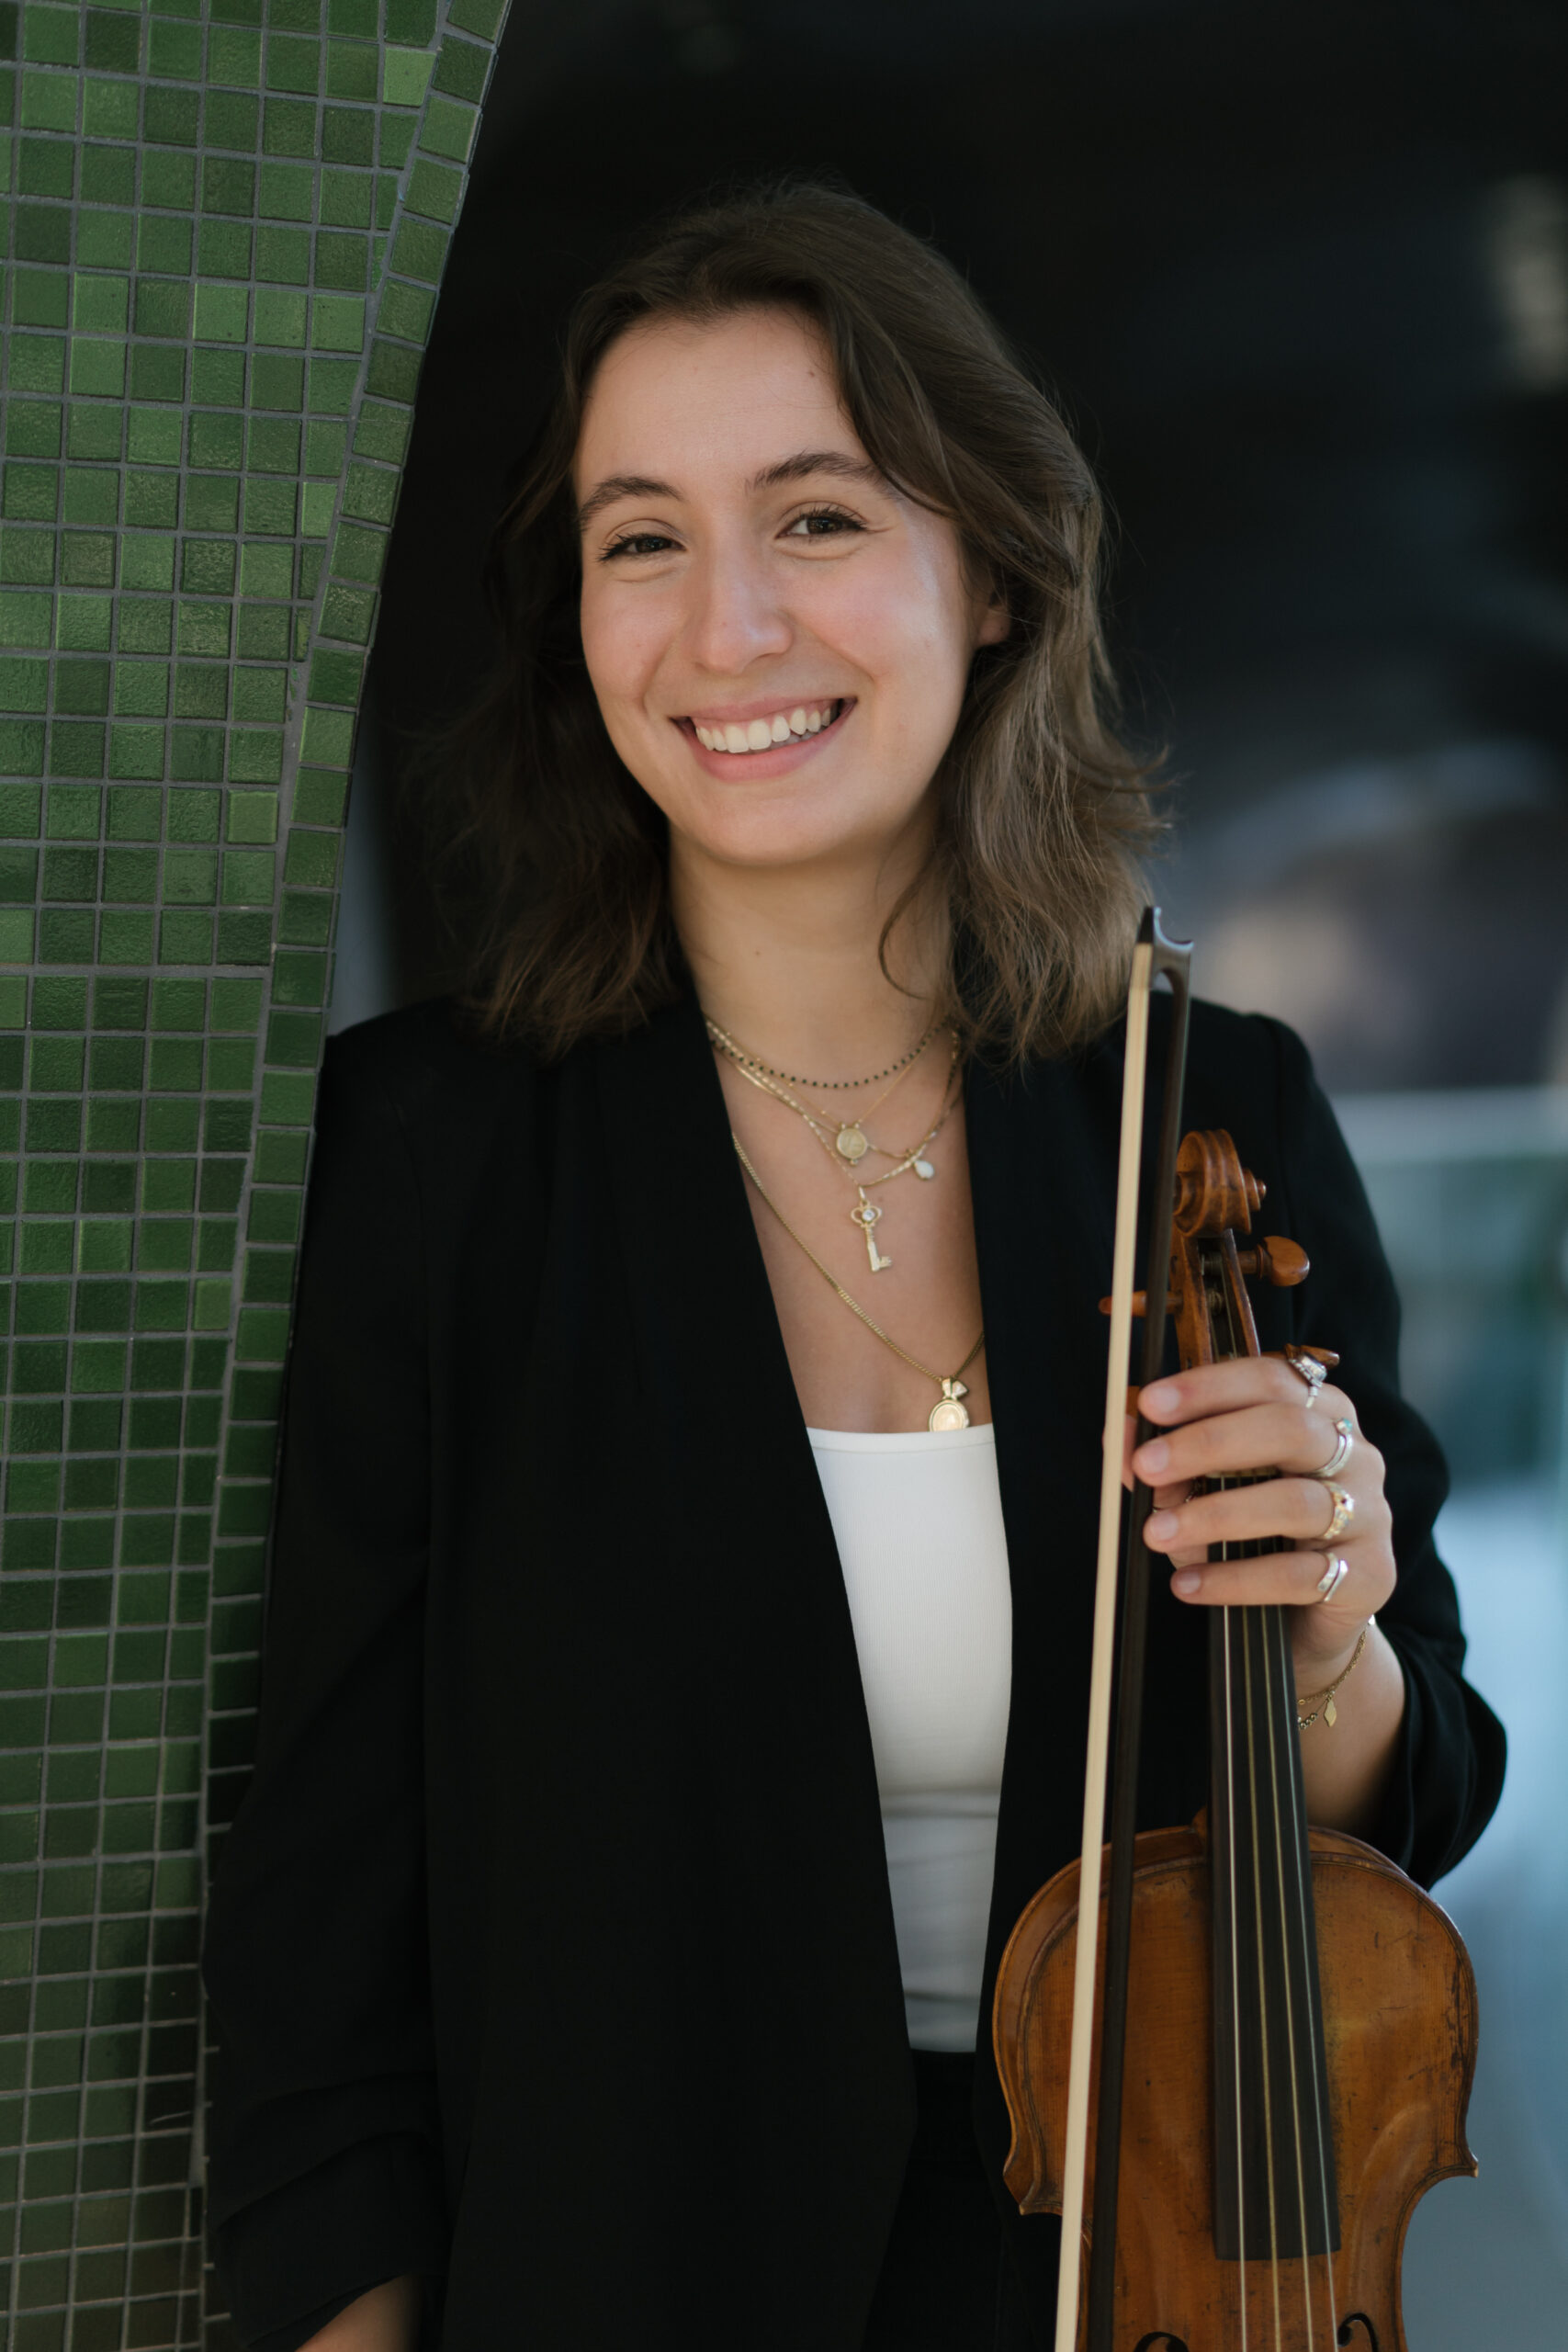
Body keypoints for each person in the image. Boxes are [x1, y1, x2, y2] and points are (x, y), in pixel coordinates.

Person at [202, 183, 1505, 2352]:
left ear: (989, 574)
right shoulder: (425, 1154)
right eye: (642, 537)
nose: (724, 628)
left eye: (813, 516)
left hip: (1159, 2263)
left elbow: (1409, 1793)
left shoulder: (1215, 1111)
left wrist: (1329, 1639)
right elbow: (321, 1910)